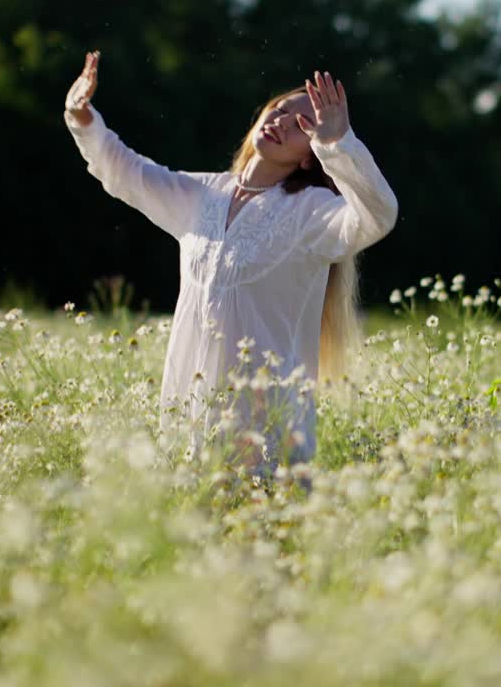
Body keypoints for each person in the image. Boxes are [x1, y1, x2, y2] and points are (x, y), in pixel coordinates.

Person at [64, 50, 398, 476]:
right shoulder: (202, 195)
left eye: (301, 125)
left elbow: (379, 215)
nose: (280, 121)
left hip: (266, 428)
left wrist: (339, 146)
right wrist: (82, 116)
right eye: (278, 110)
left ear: (308, 156)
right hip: (191, 416)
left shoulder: (313, 212)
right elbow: (124, 171)